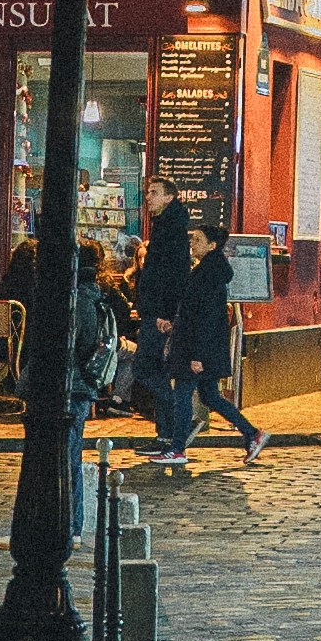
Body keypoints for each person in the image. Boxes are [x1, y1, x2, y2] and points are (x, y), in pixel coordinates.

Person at [171, 226, 268, 469]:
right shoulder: (208, 271)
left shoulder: (208, 275)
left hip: (199, 350)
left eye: (198, 239)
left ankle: (177, 448)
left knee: (183, 392)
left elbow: (205, 319)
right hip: (206, 349)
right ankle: (252, 434)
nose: (192, 242)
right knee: (210, 395)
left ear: (212, 245)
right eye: (192, 237)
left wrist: (196, 355)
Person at [132, 175, 192, 455]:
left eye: (154, 192)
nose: (148, 197)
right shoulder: (165, 225)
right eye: (147, 192)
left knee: (144, 368)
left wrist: (161, 313)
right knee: (155, 370)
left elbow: (170, 276)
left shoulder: (171, 229)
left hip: (158, 314)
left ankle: (175, 427)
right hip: (155, 311)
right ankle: (166, 434)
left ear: (169, 197)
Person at [69, 240, 119, 534]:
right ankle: (70, 524)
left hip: (73, 386)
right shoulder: (92, 295)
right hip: (79, 385)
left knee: (69, 459)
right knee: (69, 456)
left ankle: (72, 525)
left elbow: (75, 345)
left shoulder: (81, 301)